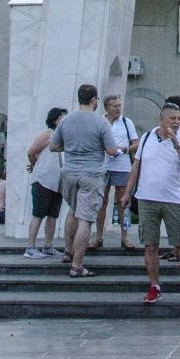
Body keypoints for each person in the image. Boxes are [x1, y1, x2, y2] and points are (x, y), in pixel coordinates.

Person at [128, 101, 180, 304]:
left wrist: (176, 142)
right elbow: (136, 166)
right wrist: (127, 193)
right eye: (172, 118)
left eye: (178, 119)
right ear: (161, 120)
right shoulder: (147, 138)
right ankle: (154, 286)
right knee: (150, 245)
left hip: (172, 199)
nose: (176, 122)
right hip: (147, 198)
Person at [51, 83, 118, 277]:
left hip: (69, 173)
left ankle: (67, 252)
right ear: (94, 100)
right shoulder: (101, 122)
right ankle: (77, 266)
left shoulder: (66, 120)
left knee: (72, 211)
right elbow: (112, 150)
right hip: (91, 173)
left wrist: (72, 148)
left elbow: (53, 146)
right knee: (86, 219)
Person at [98, 94, 139, 250]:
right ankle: (98, 236)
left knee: (123, 203)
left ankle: (125, 237)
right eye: (115, 106)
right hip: (103, 165)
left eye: (119, 105)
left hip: (122, 166)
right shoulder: (100, 121)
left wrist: (125, 149)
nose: (118, 108)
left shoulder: (126, 122)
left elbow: (136, 143)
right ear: (107, 108)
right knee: (101, 202)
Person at [25, 107, 66, 259]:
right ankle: (30, 247)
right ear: (56, 120)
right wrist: (36, 166)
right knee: (38, 214)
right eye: (62, 118)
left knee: (53, 215)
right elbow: (31, 152)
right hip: (43, 181)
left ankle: (48, 246)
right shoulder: (47, 135)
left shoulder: (63, 137)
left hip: (58, 183)